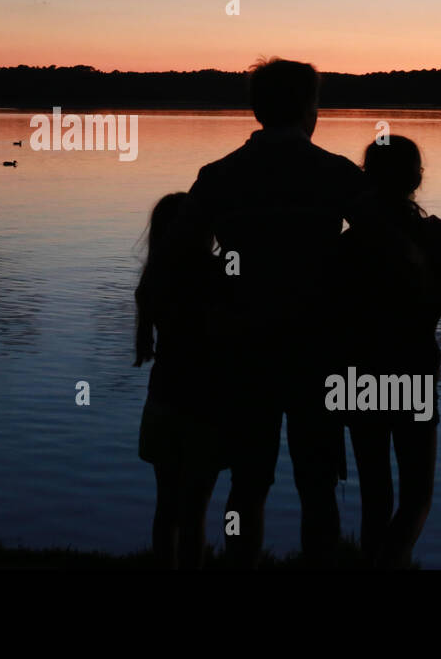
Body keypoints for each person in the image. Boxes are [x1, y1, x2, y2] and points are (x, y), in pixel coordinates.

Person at [187, 58, 372, 567]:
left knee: (247, 479)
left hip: (243, 348)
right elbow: (379, 246)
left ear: (257, 108)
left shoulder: (219, 175)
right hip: (318, 349)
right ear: (310, 109)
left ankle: (240, 563)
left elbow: (188, 258)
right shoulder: (335, 173)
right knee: (317, 479)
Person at [337, 135, 441, 568]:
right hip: (413, 374)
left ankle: (378, 562)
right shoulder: (440, 238)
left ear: (367, 178)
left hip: (358, 377)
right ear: (417, 178)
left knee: (375, 497)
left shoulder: (349, 245)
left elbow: (330, 324)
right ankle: (392, 561)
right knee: (417, 497)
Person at [134, 192, 231, 569]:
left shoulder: (154, 279)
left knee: (168, 507)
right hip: (206, 405)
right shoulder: (212, 276)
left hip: (163, 400)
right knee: (195, 513)